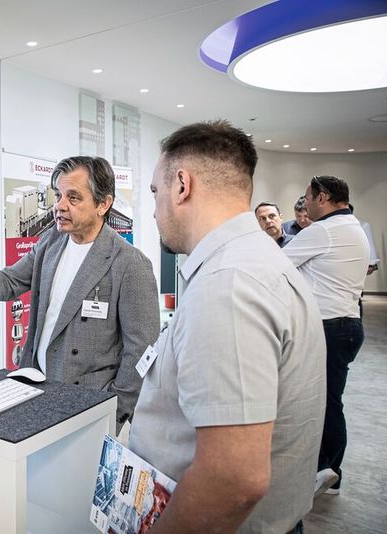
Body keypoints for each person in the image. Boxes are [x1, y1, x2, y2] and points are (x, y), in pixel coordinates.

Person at [130, 120, 325, 533]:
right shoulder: (253, 262)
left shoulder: (229, 283)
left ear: (182, 185)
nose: (153, 207)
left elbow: (233, 481)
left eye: (154, 192)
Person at [0, 156, 159, 431]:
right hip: (37, 388)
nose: (60, 206)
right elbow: (11, 280)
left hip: (88, 404)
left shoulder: (129, 264)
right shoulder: (51, 242)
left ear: (103, 204)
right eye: (58, 195)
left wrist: (114, 409)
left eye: (73, 197)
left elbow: (142, 350)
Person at [283, 175, 370, 498]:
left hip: (327, 327)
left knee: (323, 403)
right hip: (348, 324)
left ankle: (327, 471)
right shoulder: (354, 227)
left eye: (306, 199)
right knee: (331, 400)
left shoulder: (323, 231)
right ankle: (327, 470)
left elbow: (277, 262)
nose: (303, 206)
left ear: (323, 198)